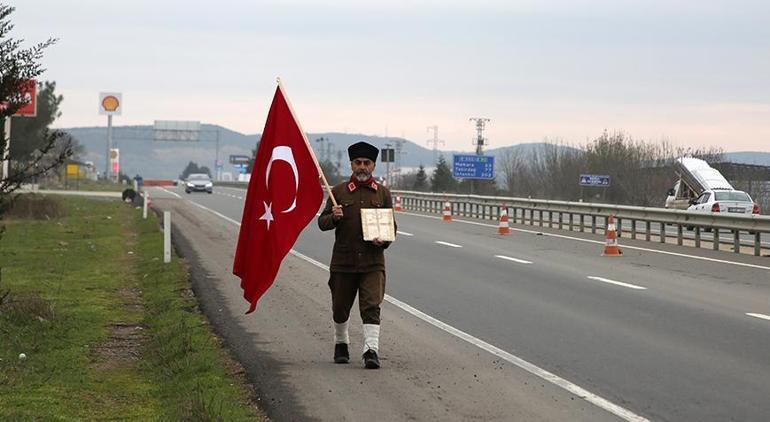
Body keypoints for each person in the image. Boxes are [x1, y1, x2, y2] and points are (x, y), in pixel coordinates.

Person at [318, 141, 395, 369]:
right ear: (351, 164)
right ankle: (341, 343)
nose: (362, 167)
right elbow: (322, 223)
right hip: (343, 263)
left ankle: (371, 350)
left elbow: (392, 227)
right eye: (358, 162)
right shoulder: (338, 192)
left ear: (373, 166)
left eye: (367, 163)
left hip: (372, 263)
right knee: (340, 307)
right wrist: (334, 216)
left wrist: (385, 240)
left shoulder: (382, 194)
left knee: (371, 306)